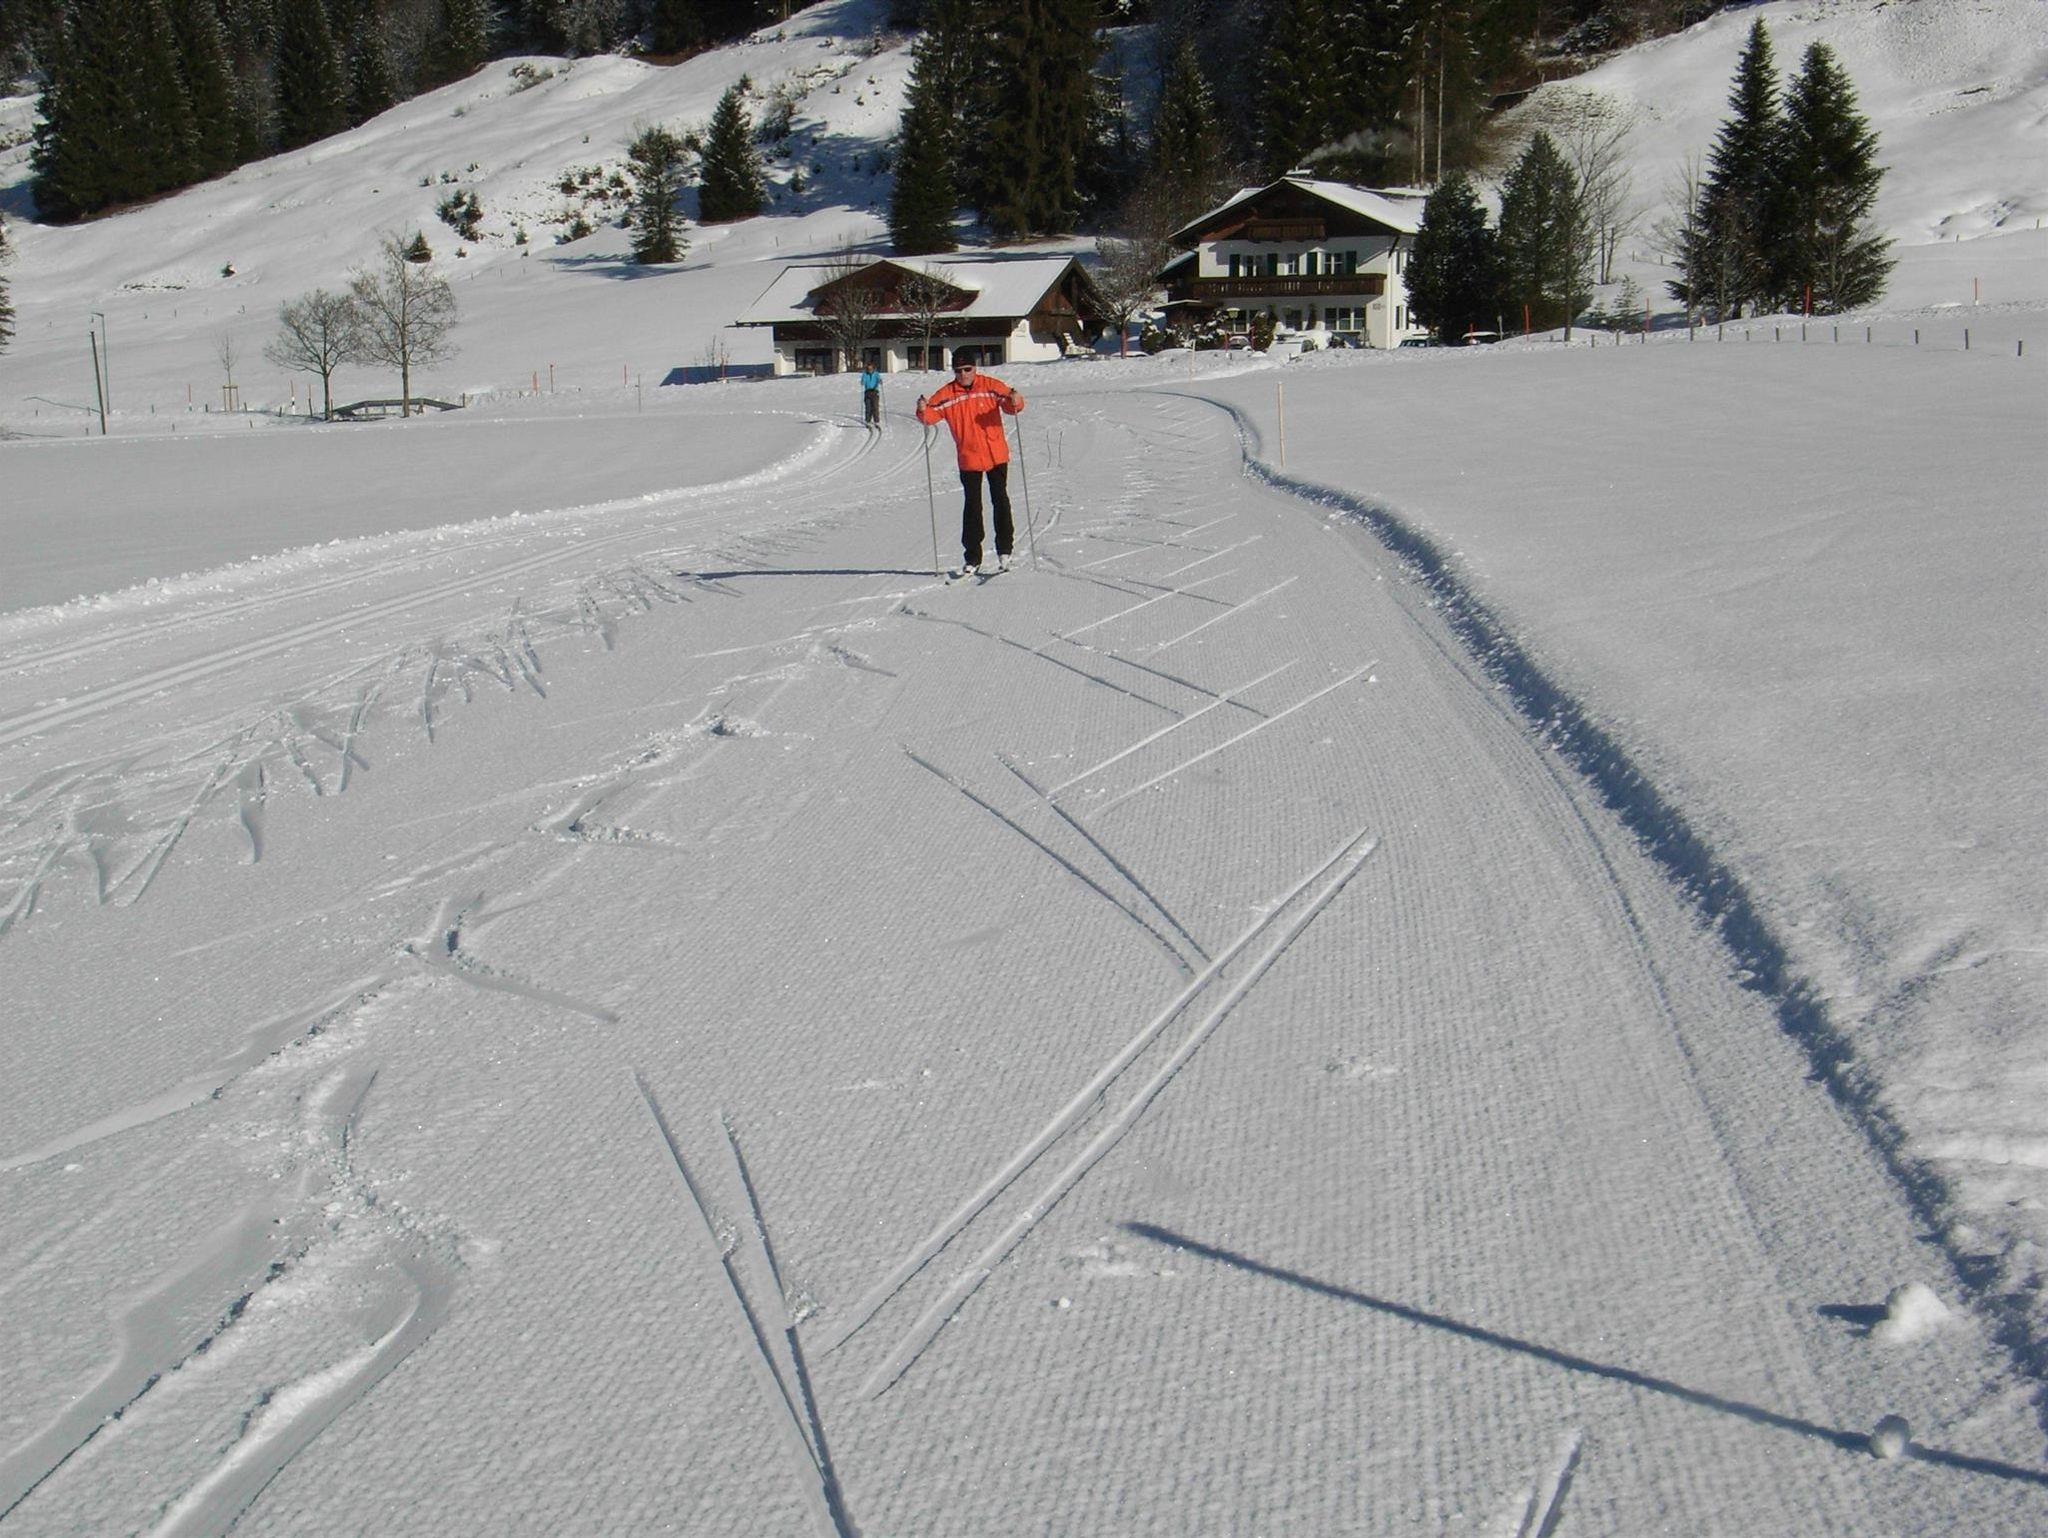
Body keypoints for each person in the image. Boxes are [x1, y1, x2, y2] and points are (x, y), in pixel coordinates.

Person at [915, 353, 1026, 574]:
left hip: (995, 454)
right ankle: (973, 557)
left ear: (975, 368)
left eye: (967, 369)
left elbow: (1010, 404)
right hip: (969, 457)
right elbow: (930, 416)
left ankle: (1005, 550)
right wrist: (922, 409)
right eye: (958, 371)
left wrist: (1016, 399)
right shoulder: (947, 393)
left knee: (1000, 500)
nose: (963, 375)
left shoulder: (990, 386)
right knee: (972, 506)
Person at [859, 363, 882, 430]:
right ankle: (868, 420)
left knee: (875, 407)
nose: (870, 370)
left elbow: (879, 379)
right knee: (868, 407)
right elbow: (863, 382)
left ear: (873, 368)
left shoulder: (876, 374)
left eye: (871, 369)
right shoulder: (865, 374)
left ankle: (876, 421)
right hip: (867, 392)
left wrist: (880, 381)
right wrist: (862, 382)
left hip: (875, 391)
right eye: (869, 369)